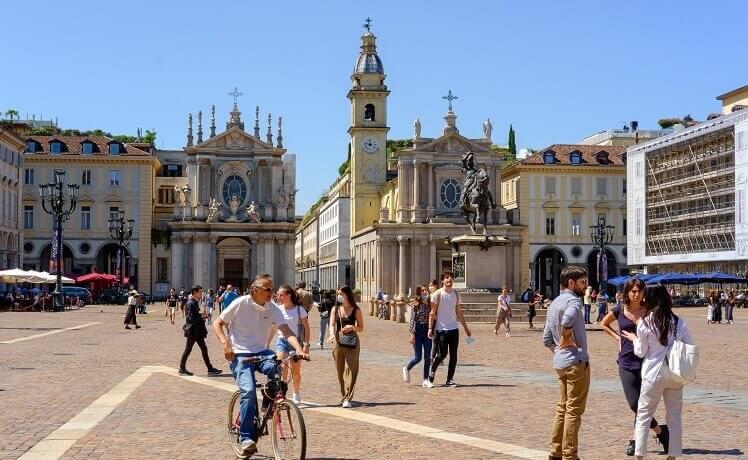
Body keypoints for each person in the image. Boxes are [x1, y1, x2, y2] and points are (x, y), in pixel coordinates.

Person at [212, 274, 308, 457]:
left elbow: (286, 330)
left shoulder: (272, 308)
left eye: (272, 289)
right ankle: (247, 438)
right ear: (255, 290)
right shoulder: (241, 303)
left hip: (261, 352)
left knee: (276, 366)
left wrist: (299, 348)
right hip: (240, 354)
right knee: (247, 392)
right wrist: (225, 344)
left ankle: (267, 405)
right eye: (268, 289)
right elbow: (218, 323)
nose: (272, 293)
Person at [621, 285, 693, 460]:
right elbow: (689, 344)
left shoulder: (645, 322)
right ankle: (673, 455)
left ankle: (640, 455)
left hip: (653, 372)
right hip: (676, 373)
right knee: (674, 416)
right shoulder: (678, 321)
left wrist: (635, 339)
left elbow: (641, 352)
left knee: (644, 415)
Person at [601, 278, 666, 456]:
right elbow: (603, 324)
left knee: (642, 403)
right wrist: (618, 339)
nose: (636, 294)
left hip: (646, 361)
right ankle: (660, 431)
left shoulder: (649, 309)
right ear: (627, 292)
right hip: (626, 361)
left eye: (639, 291)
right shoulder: (620, 309)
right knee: (634, 403)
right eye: (633, 291)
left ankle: (635, 440)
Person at [542, 266, 590, 460]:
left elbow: (546, 338)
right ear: (571, 282)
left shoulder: (553, 303)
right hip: (576, 362)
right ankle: (570, 455)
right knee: (573, 410)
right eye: (582, 282)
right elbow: (569, 318)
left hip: (561, 363)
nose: (585, 286)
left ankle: (555, 451)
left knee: (562, 408)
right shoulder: (573, 301)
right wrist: (567, 337)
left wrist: (560, 350)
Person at [427, 271, 472, 388]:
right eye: (447, 278)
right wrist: (430, 328)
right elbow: (432, 313)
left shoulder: (456, 294)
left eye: (451, 278)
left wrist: (466, 328)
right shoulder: (437, 294)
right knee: (442, 354)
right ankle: (432, 371)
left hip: (453, 329)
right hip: (441, 329)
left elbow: (459, 312)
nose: (449, 280)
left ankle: (450, 379)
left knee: (454, 355)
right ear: (442, 281)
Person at [327, 285, 364, 407]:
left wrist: (352, 327)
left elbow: (361, 328)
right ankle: (344, 395)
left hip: (352, 342)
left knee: (351, 370)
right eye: (338, 294)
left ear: (347, 295)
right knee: (340, 370)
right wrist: (332, 335)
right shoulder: (335, 309)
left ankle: (348, 397)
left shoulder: (356, 310)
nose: (339, 296)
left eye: (341, 294)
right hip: (338, 341)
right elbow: (332, 324)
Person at [274, 285, 311, 404]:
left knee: (295, 371)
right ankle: (282, 390)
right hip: (282, 341)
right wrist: (266, 343)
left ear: (289, 295)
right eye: (278, 294)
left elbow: (306, 327)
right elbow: (273, 327)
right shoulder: (278, 309)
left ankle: (296, 392)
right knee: (282, 365)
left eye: (281, 294)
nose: (279, 297)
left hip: (296, 343)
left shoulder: (300, 309)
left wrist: (306, 344)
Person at [179, 285, 222, 377]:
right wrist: (202, 315)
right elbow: (191, 318)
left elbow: (195, 316)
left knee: (204, 348)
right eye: (200, 292)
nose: (202, 294)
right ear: (195, 292)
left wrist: (203, 315)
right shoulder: (191, 303)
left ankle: (210, 368)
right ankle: (182, 368)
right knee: (188, 349)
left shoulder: (195, 302)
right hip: (193, 330)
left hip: (198, 330)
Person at [402, 285, 432, 387]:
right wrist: (412, 334)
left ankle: (425, 380)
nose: (424, 292)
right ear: (419, 293)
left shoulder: (430, 304)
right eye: (422, 290)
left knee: (427, 357)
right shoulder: (416, 304)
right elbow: (412, 320)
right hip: (418, 331)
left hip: (427, 330)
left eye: (425, 290)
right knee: (418, 358)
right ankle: (407, 368)